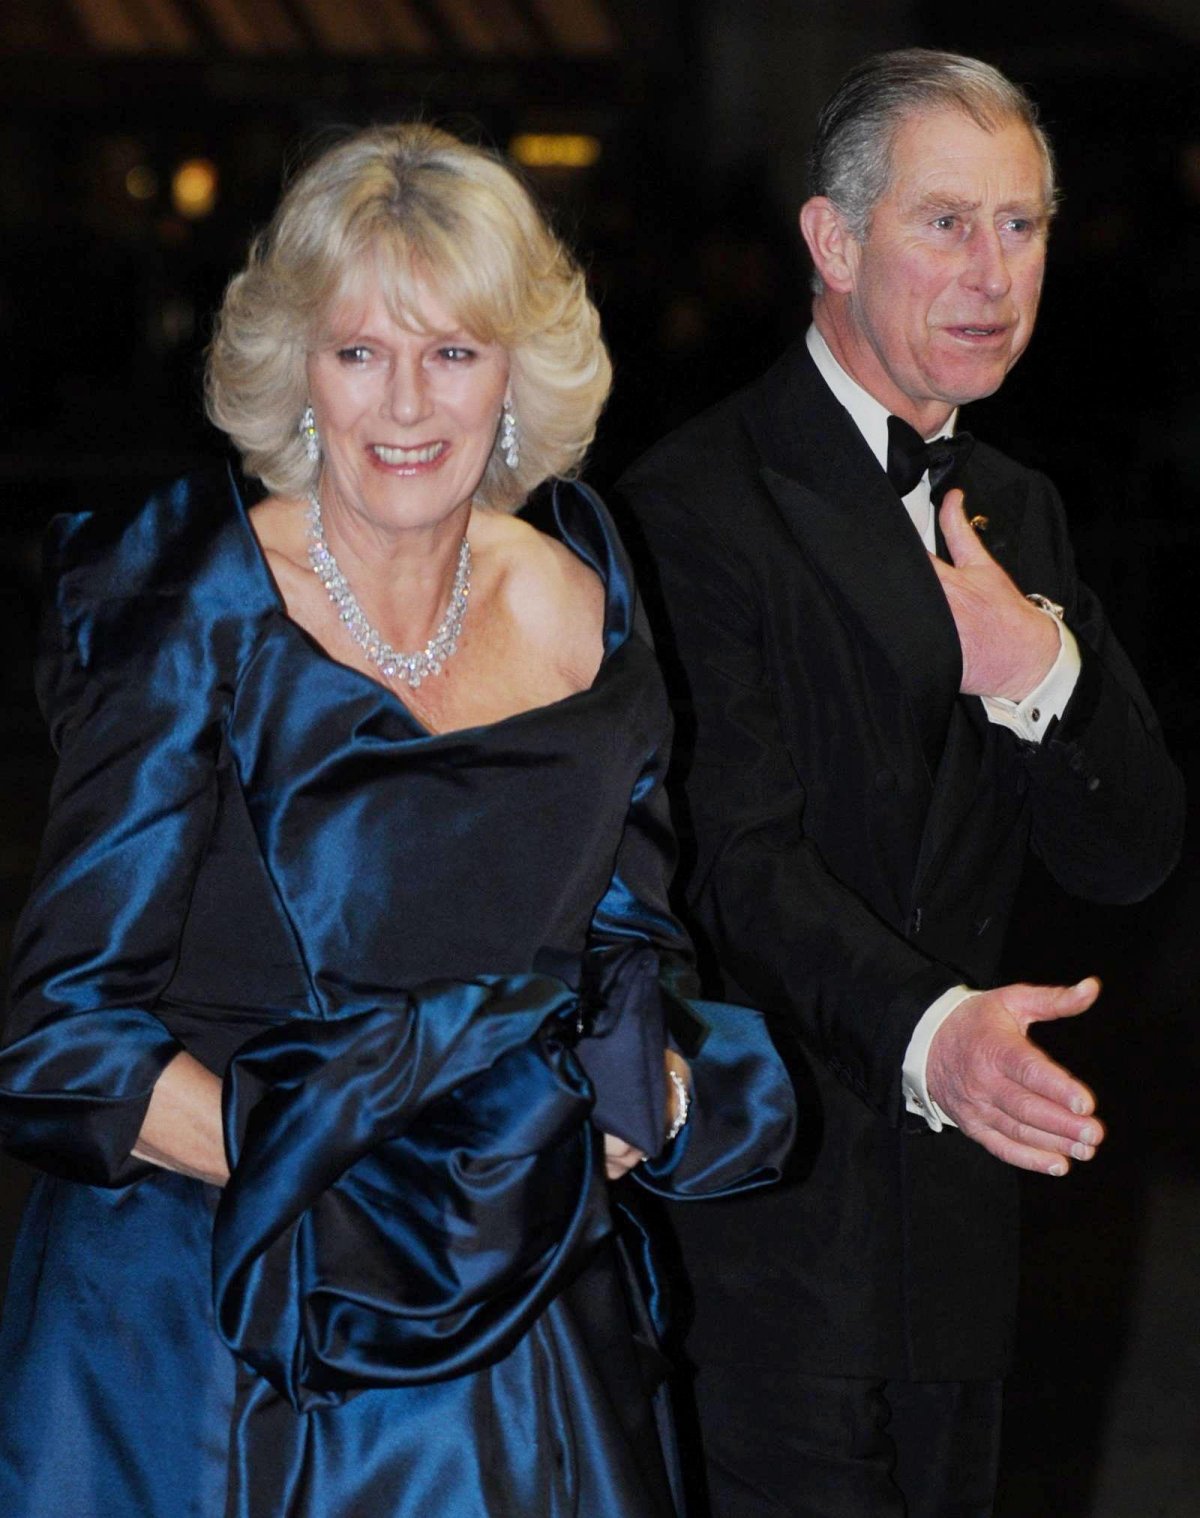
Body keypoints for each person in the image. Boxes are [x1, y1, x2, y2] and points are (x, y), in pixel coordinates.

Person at [0, 123, 794, 1518]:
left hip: (515, 1333)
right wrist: (347, 1174)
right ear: (299, 368)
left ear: (515, 376)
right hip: (214, 1331)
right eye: (360, 350)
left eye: (454, 352)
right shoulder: (189, 605)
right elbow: (62, 1037)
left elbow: (634, 945)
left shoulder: (587, 598)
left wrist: (636, 1093)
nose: (405, 403)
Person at [618, 48, 1184, 1518]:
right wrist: (932, 1033)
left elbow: (1133, 849)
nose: (994, 271)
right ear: (832, 239)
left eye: (1024, 223)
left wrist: (1040, 667)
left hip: (965, 1242)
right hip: (770, 1222)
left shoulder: (1028, 513)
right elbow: (732, 862)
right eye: (946, 220)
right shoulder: (693, 501)